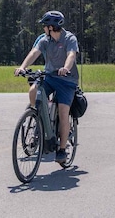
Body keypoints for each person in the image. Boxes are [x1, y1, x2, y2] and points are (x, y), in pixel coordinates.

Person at [14, 10, 79, 166]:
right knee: (33, 91)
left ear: (52, 27)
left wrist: (65, 68)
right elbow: (34, 52)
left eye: (45, 26)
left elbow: (71, 55)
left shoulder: (69, 38)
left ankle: (62, 149)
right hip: (49, 76)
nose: (43, 29)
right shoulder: (45, 40)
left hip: (66, 80)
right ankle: (37, 117)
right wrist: (22, 67)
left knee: (64, 113)